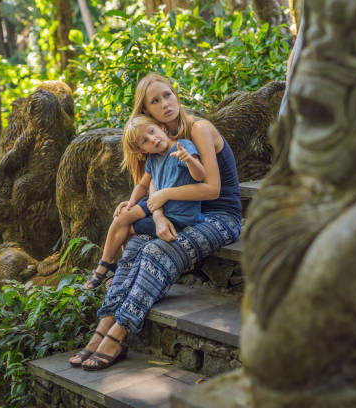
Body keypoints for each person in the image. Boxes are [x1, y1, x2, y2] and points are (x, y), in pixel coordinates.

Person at [70, 73, 242, 370]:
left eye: (168, 95)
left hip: (220, 217)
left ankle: (119, 331)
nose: (165, 103)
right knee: (136, 243)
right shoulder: (159, 144)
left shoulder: (199, 130)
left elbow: (211, 189)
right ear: (147, 112)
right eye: (155, 101)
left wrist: (163, 198)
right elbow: (151, 187)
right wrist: (158, 212)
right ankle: (104, 323)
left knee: (156, 250)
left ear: (176, 95)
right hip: (182, 214)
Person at [83, 114, 206, 290]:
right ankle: (104, 265)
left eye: (152, 131)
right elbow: (142, 185)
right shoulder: (153, 159)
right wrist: (131, 203)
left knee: (127, 230)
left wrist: (189, 160)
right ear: (143, 150)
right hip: (157, 204)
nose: (152, 139)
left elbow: (200, 176)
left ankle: (123, 270)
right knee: (122, 217)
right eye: (145, 141)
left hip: (177, 216)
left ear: (161, 128)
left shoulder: (183, 147)